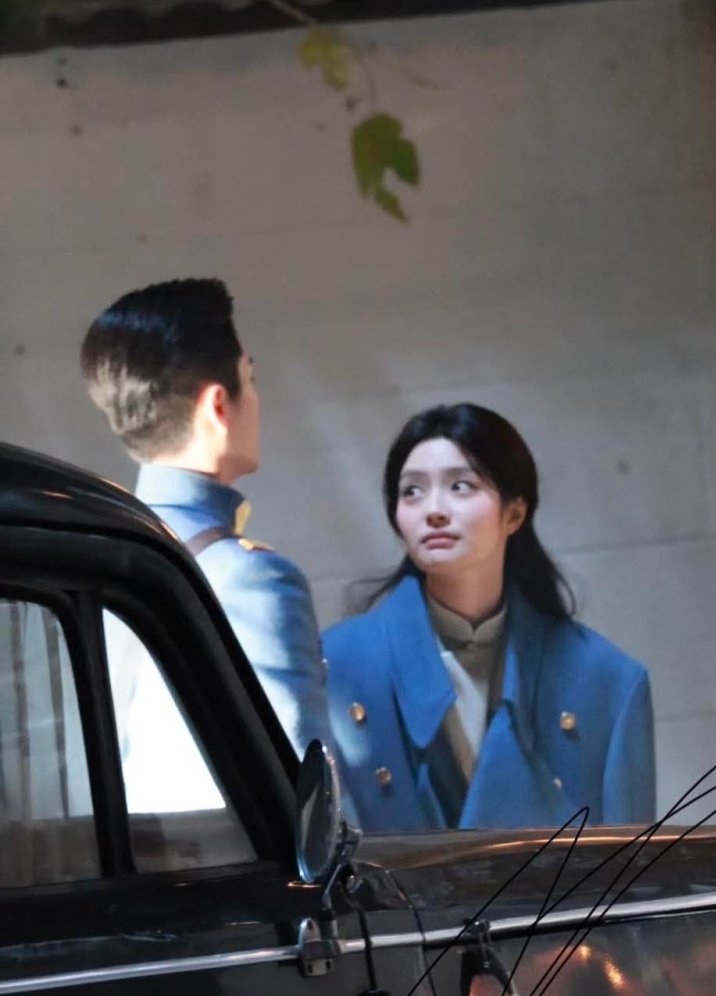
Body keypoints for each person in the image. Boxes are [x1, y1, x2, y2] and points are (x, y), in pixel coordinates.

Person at [323, 402, 655, 832]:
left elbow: (630, 865)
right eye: (412, 491)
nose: (433, 509)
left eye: (460, 486)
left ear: (514, 513)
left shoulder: (606, 680)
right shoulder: (336, 665)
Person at [80, 278, 333, 770]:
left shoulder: (93, 556)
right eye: (250, 378)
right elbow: (300, 792)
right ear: (218, 405)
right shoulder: (253, 580)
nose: (256, 399)